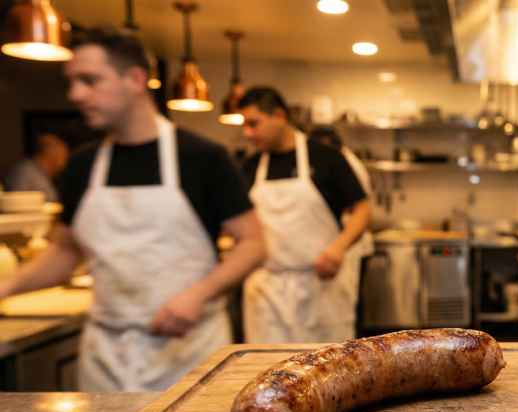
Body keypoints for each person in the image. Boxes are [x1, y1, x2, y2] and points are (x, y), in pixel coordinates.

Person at [0, 28, 265, 391]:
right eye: (73, 82)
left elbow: (253, 243)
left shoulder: (202, 159)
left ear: (136, 79)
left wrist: (198, 294)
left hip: (188, 352)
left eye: (90, 81)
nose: (75, 94)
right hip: (106, 356)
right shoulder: (82, 166)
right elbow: (65, 250)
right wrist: (6, 286)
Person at [239, 87, 372, 343]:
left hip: (321, 289)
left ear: (279, 115)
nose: (248, 133)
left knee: (328, 371)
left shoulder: (326, 159)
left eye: (254, 124)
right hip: (267, 292)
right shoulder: (250, 167)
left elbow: (362, 210)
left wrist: (339, 248)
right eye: (245, 125)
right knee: (268, 372)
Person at [3, 133, 69, 202]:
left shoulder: (43, 174)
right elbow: (16, 202)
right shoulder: (25, 171)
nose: (65, 160)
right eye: (63, 155)